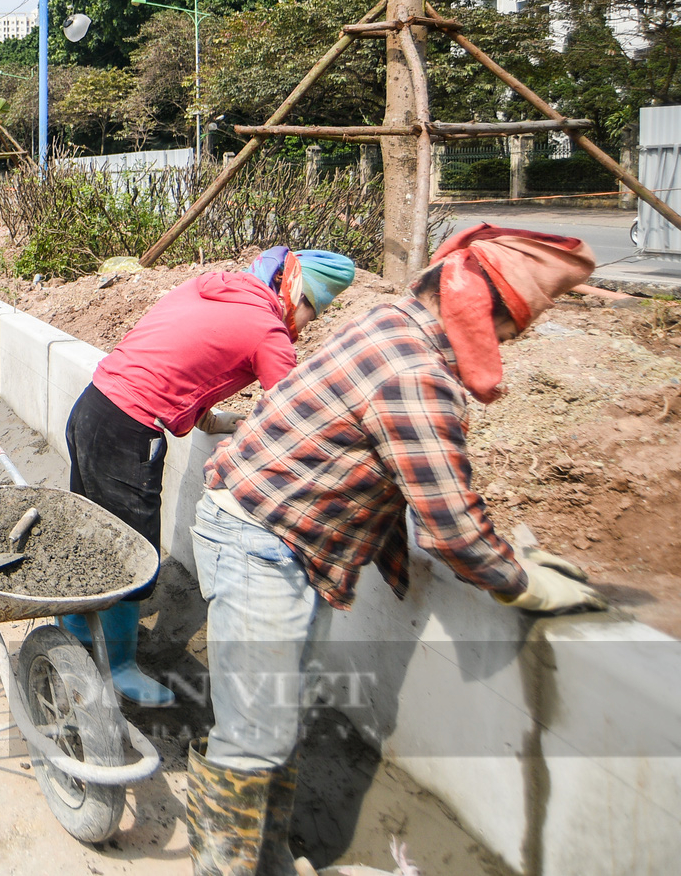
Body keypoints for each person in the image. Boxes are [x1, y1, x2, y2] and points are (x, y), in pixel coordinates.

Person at [185, 225, 606, 876]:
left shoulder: (395, 322)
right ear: (480, 313)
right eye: (507, 327)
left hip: (271, 529)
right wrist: (521, 581)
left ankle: (259, 853)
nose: (509, 341)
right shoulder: (416, 375)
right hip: (261, 541)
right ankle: (224, 862)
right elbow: (455, 528)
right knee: (261, 727)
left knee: (277, 715)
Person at [61, 245, 358, 706]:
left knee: (93, 531)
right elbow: (297, 416)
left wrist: (220, 420)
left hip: (92, 407)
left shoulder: (214, 290)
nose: (308, 323)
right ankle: (119, 666)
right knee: (133, 553)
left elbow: (180, 364)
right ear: (295, 288)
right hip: (127, 430)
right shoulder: (268, 328)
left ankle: (75, 627)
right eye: (311, 310)